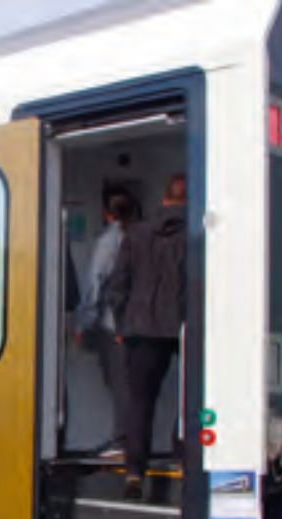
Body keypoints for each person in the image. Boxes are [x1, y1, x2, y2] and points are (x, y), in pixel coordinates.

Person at [105, 174, 187, 497]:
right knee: (192, 396)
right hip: (183, 327)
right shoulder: (195, 234)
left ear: (164, 199)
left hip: (141, 328)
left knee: (139, 401)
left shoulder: (136, 234)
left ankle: (135, 471)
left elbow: (117, 286)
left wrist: (122, 326)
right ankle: (183, 456)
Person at [74, 185, 135, 459]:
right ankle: (133, 439)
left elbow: (95, 283)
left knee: (119, 383)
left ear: (108, 214)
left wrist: (83, 323)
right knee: (135, 385)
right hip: (141, 323)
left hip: (113, 323)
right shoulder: (142, 236)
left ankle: (122, 441)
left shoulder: (109, 241)